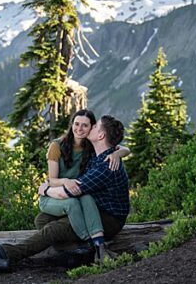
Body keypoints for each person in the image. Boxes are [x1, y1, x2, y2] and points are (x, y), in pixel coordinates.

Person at [0, 115, 130, 272]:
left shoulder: (106, 166)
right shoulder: (102, 154)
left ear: (101, 135)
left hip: (109, 219)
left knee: (53, 229)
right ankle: (79, 251)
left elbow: (67, 192)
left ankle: (5, 255)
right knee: (43, 219)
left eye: (95, 126)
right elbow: (121, 148)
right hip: (91, 208)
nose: (91, 127)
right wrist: (119, 152)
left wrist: (45, 189)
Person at [37, 110, 130, 259]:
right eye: (76, 124)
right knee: (42, 219)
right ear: (71, 125)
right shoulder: (58, 146)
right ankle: (75, 249)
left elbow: (121, 148)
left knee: (57, 223)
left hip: (79, 196)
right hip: (65, 191)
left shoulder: (92, 148)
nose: (80, 129)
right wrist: (56, 185)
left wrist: (117, 154)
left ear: (93, 130)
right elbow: (53, 180)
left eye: (87, 126)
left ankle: (89, 245)